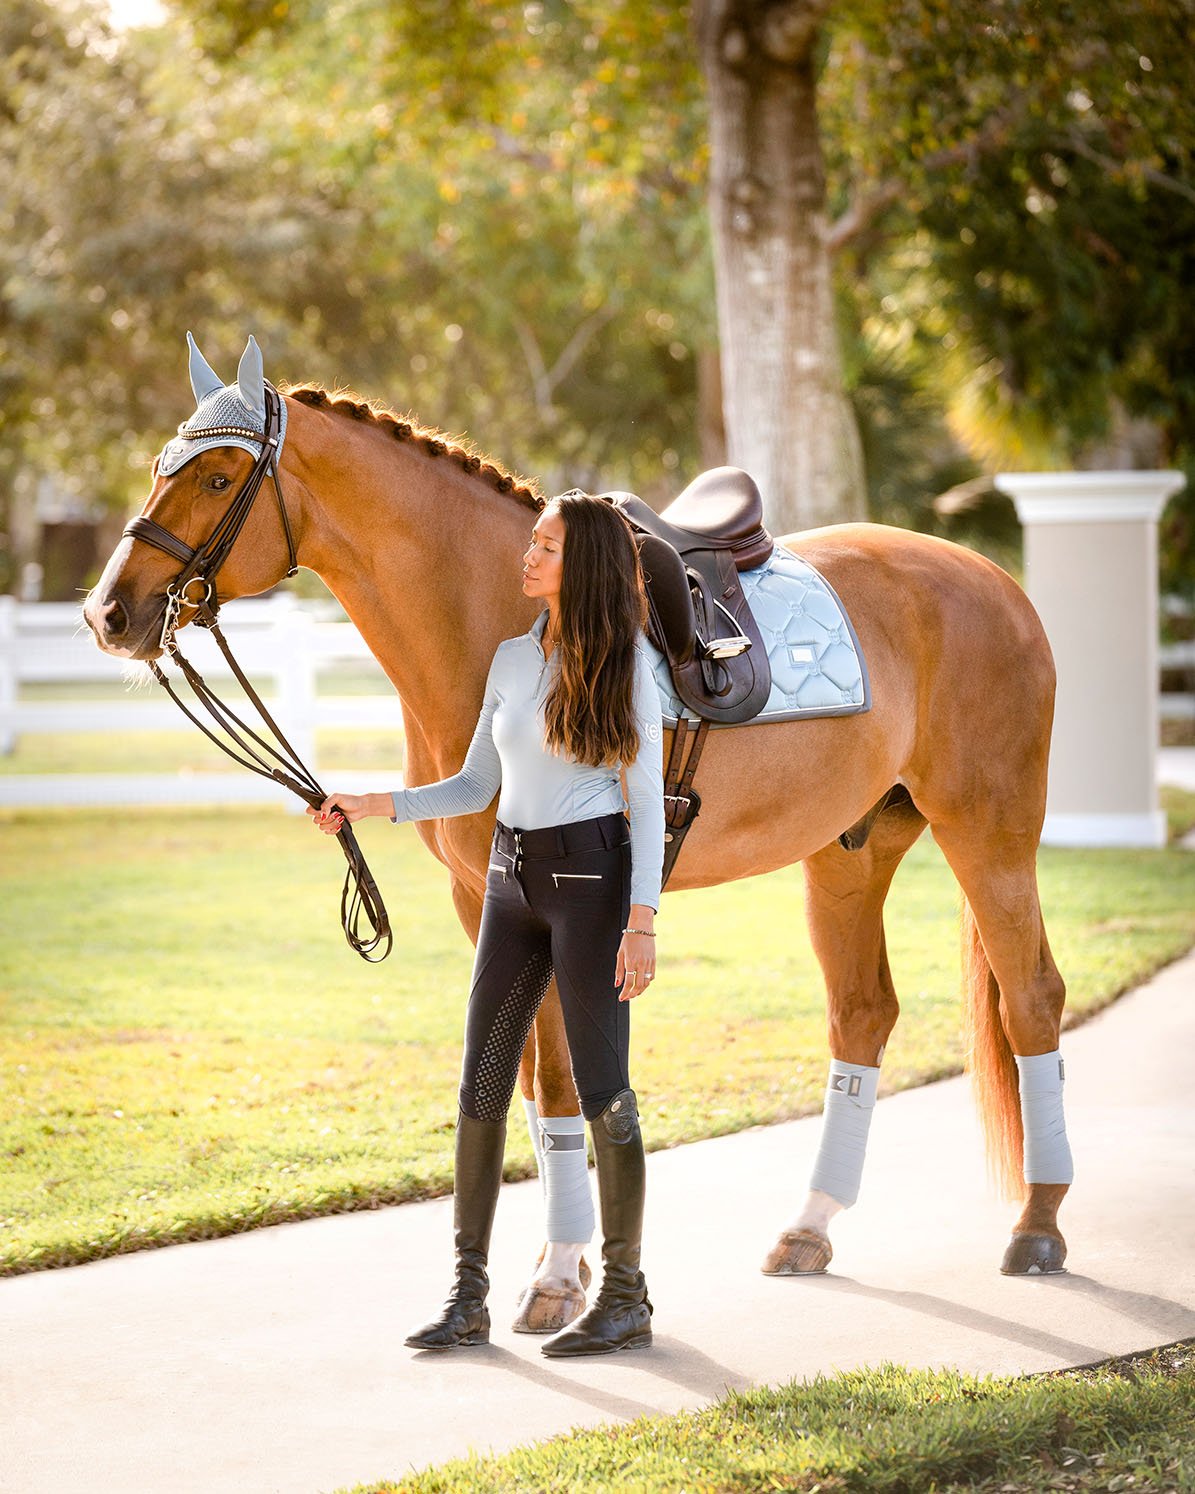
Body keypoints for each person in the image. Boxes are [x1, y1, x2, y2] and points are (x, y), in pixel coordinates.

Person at [308, 492, 665, 1358]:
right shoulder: (510, 659)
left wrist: (641, 921)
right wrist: (373, 802)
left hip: (589, 883)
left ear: (578, 565)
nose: (528, 557)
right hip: (510, 881)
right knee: (480, 1084)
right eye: (531, 543)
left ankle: (624, 1296)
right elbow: (473, 785)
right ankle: (468, 1295)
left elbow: (645, 800)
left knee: (605, 1084)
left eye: (544, 547)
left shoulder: (626, 666)